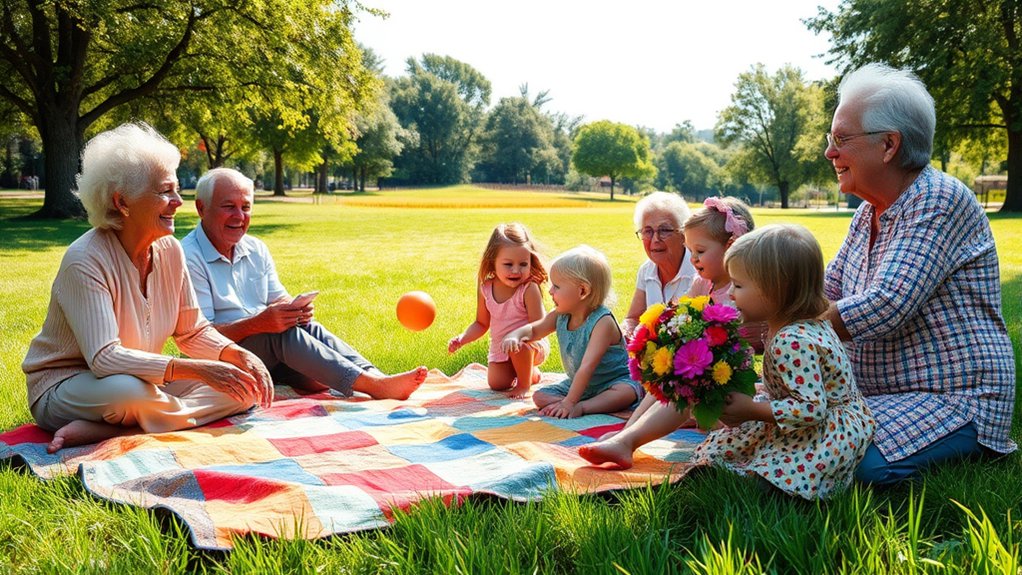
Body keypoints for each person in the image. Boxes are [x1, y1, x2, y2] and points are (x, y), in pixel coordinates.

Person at [22, 123, 273, 454]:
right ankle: (140, 418)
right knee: (129, 392)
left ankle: (108, 429)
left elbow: (192, 330)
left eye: (176, 190)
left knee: (242, 386)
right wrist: (196, 370)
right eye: (165, 192)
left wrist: (235, 355)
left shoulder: (170, 250)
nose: (178, 202)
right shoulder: (83, 260)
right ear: (122, 201)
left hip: (141, 377)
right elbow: (104, 358)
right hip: (66, 386)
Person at [822, 63, 1016, 484]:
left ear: (889, 144)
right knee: (804, 430)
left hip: (956, 397)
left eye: (841, 139)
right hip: (881, 395)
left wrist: (788, 326)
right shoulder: (869, 213)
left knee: (851, 459)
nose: (829, 153)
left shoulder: (938, 199)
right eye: (830, 139)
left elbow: (888, 304)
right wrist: (753, 305)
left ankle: (974, 443)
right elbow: (827, 287)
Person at [583, 225, 876, 499]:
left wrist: (752, 410)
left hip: (823, 433)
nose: (731, 294)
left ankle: (751, 485)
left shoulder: (794, 339)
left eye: (738, 285)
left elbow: (811, 409)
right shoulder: (790, 324)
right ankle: (628, 442)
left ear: (775, 290)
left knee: (768, 476)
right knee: (716, 432)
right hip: (793, 415)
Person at [181, 168, 426, 401]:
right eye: (229, 207)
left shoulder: (256, 249)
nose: (239, 216)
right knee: (282, 336)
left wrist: (294, 311)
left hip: (266, 355)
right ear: (202, 208)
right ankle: (375, 387)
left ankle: (377, 376)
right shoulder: (188, 257)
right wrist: (261, 323)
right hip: (222, 358)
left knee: (313, 348)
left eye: (246, 207)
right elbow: (201, 337)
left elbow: (278, 300)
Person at [503, 246, 643, 418]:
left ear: (582, 291)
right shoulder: (560, 315)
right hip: (583, 386)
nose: (550, 291)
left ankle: (584, 406)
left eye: (556, 286)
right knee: (539, 396)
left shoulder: (602, 322)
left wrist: (569, 403)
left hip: (614, 382)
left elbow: (587, 367)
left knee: (625, 392)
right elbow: (534, 330)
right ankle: (583, 401)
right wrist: (515, 335)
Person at [448, 223, 550, 398]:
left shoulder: (528, 288)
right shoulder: (485, 288)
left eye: (523, 264)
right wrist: (463, 338)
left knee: (519, 349)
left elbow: (540, 327)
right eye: (508, 264)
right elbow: (481, 323)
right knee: (497, 383)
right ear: (492, 261)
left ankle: (525, 382)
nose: (516, 270)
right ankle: (524, 372)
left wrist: (518, 337)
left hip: (529, 344)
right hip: (501, 347)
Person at [620, 192, 697, 339]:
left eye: (664, 230)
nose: (655, 239)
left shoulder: (699, 271)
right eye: (647, 231)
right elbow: (633, 318)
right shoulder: (646, 270)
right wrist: (626, 332)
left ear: (683, 234)